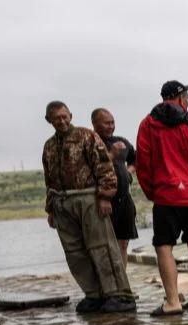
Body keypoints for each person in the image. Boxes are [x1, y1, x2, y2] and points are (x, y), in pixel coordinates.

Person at [135, 80, 188, 317]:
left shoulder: (148, 125)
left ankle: (172, 302)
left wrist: (152, 192)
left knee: (164, 247)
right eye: (187, 97)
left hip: (165, 195)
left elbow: (143, 163)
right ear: (180, 98)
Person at [41, 101, 136, 313]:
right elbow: (49, 179)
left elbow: (104, 166)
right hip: (62, 202)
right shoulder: (48, 146)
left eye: (65, 116)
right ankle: (93, 294)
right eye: (57, 118)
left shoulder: (86, 136)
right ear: (49, 120)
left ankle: (119, 294)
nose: (62, 121)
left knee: (102, 247)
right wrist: (50, 209)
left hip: (88, 198)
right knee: (75, 252)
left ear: (71, 115)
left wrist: (105, 197)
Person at [92, 108, 138, 264]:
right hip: (103, 201)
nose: (111, 126)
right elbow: (90, 168)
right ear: (95, 124)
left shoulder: (122, 142)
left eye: (113, 122)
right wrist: (111, 154)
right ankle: (108, 284)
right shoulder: (90, 143)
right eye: (106, 123)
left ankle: (122, 282)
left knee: (123, 243)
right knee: (106, 246)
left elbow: (135, 159)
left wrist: (129, 171)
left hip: (125, 200)